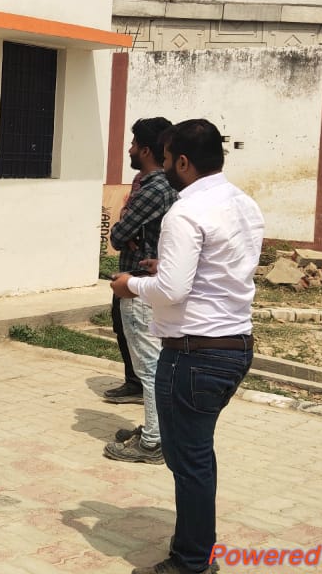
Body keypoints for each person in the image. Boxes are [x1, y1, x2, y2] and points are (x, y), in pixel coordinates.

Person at [111, 118, 265, 574]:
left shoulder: (185, 212)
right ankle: (195, 548)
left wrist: (131, 284)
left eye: (165, 158)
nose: (161, 167)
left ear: (182, 161)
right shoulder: (243, 202)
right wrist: (165, 267)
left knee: (188, 460)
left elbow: (172, 291)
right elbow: (222, 268)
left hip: (195, 353)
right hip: (234, 344)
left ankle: (192, 560)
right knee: (197, 454)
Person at [103, 117, 177, 465]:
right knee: (156, 365)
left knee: (149, 368)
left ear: (146, 150)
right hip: (154, 282)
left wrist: (125, 229)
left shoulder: (153, 188)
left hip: (141, 285)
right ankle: (158, 431)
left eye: (133, 144)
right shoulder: (163, 184)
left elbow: (118, 235)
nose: (129, 149)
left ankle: (152, 443)